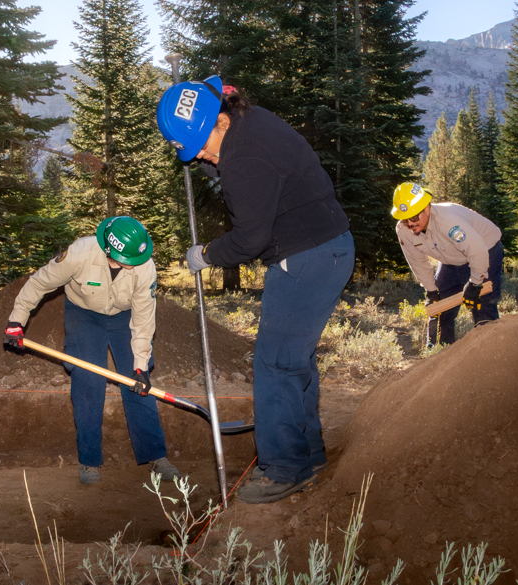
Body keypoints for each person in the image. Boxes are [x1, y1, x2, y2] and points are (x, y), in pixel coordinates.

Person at [156, 76, 355, 504]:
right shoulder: (249, 121)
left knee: (277, 364)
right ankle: (309, 455)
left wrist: (206, 254)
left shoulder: (246, 158)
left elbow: (248, 240)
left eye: (199, 147)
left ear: (221, 121)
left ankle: (285, 470)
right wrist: (207, 155)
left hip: (309, 257)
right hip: (321, 248)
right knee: (293, 360)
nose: (200, 159)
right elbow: (226, 162)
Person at [3, 216, 180, 486]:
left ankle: (155, 456)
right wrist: (17, 321)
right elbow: (39, 283)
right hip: (83, 314)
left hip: (124, 316)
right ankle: (89, 459)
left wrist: (141, 364)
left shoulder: (144, 265)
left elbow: (144, 319)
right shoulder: (80, 253)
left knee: (138, 382)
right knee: (87, 380)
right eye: (126, 260)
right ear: (109, 249)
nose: (132, 265)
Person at [391, 182, 503, 346]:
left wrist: (476, 283)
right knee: (440, 307)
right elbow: (417, 262)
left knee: (482, 306)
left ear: (427, 209)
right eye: (405, 219)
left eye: (414, 217)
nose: (410, 223)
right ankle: (443, 352)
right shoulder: (403, 230)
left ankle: (491, 350)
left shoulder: (448, 221)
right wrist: (431, 290)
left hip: (486, 249)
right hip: (450, 259)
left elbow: (476, 250)